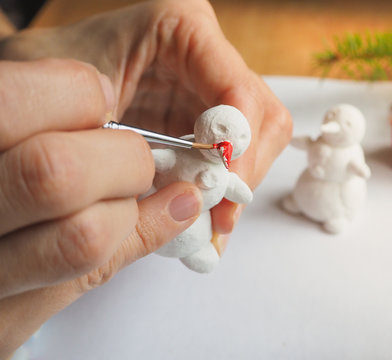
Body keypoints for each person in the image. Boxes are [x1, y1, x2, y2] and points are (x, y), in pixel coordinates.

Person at [0, 0, 292, 356]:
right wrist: (137, 155)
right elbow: (160, 159)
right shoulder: (184, 148)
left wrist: (11, 50)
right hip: (158, 205)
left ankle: (199, 251)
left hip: (193, 231)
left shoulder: (220, 167)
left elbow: (237, 188)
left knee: (201, 245)